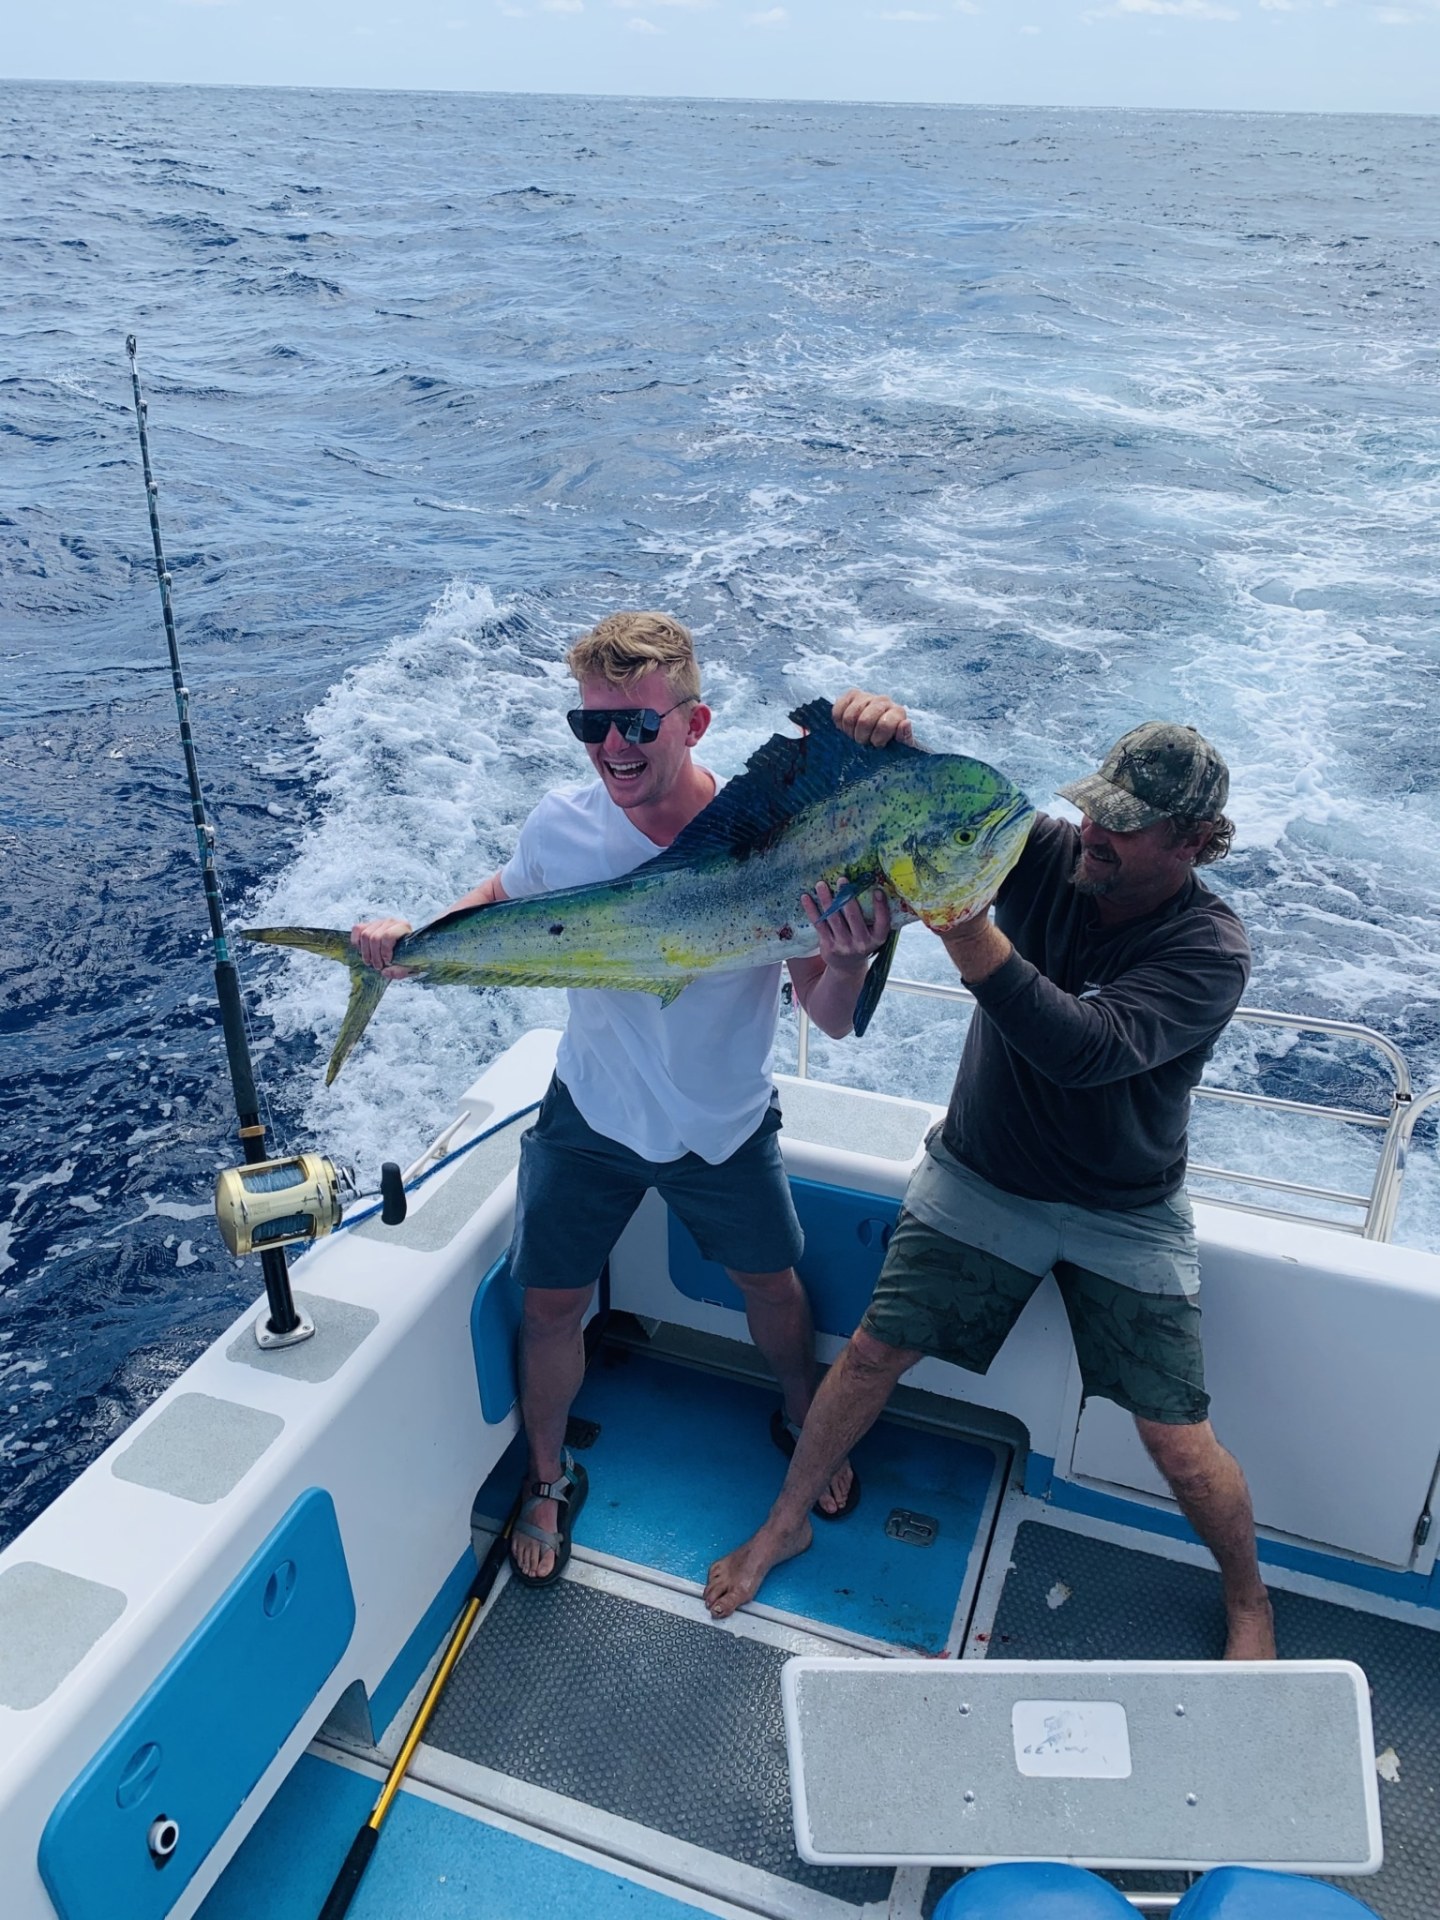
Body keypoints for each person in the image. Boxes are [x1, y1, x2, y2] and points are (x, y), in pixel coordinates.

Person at [705, 689, 1276, 1661]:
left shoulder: (1207, 951)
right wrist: (893, 742)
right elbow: (949, 815)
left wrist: (963, 923)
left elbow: (1084, 1049)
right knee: (872, 1355)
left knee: (1179, 1441)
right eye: (1093, 808)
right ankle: (784, 1523)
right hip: (983, 1172)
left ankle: (1250, 1601)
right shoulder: (1048, 853)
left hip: (1124, 1210)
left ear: (1191, 843)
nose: (1093, 833)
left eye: (1124, 826)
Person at [353, 614, 887, 1586]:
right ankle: (548, 1477)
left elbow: (831, 1017)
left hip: (723, 1127)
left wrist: (848, 960)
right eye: (590, 725)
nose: (613, 748)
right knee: (549, 1308)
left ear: (696, 723)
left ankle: (804, 1412)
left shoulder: (777, 840)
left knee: (773, 1286)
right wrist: (410, 941)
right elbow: (502, 898)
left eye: (637, 724)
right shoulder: (561, 825)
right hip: (590, 1114)